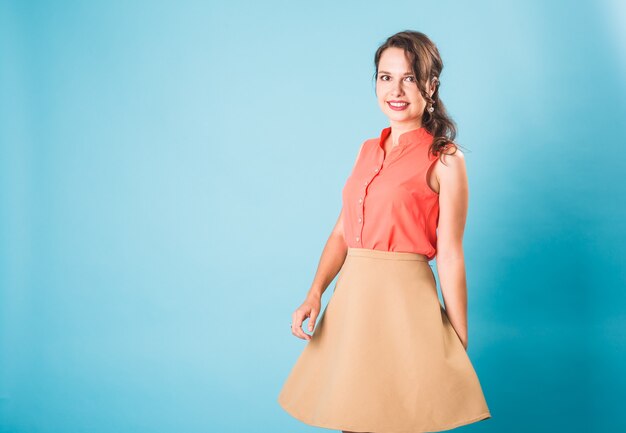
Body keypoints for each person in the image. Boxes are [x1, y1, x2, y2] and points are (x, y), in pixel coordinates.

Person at [277, 30, 491, 433]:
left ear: (431, 85)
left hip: (406, 308)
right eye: (385, 77)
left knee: (398, 421)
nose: (395, 89)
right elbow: (342, 232)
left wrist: (458, 337)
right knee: (353, 420)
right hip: (353, 305)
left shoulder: (446, 159)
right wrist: (314, 293)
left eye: (409, 78)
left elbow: (449, 253)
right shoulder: (366, 150)